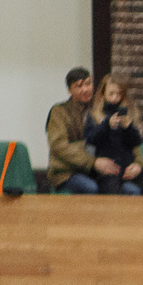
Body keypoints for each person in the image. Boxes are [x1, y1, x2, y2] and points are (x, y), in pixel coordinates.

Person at [82, 75, 143, 195]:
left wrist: (128, 127)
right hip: (106, 170)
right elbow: (90, 139)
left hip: (126, 167)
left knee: (139, 191)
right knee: (112, 193)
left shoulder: (128, 114)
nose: (115, 98)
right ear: (103, 94)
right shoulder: (94, 115)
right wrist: (106, 124)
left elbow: (136, 142)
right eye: (111, 94)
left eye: (118, 94)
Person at [46, 66, 98, 195]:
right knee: (91, 188)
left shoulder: (97, 110)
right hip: (66, 173)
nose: (85, 89)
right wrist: (91, 158)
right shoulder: (59, 112)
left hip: (94, 170)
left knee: (122, 187)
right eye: (79, 86)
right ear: (70, 90)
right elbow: (59, 147)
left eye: (88, 84)